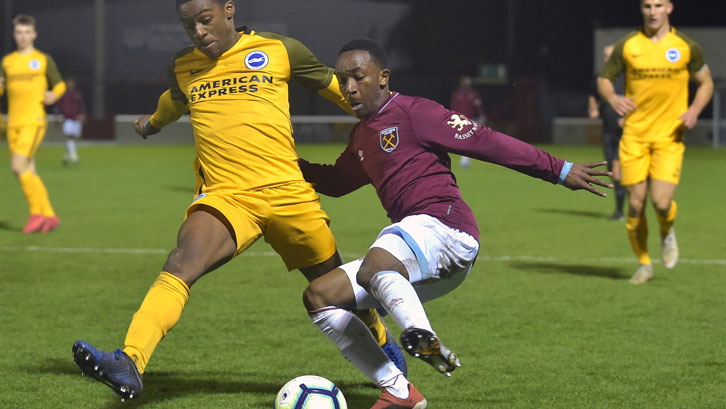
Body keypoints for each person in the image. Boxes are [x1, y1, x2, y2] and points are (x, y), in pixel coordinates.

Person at [71, 0, 405, 402]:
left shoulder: (282, 50)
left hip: (288, 194)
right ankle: (130, 360)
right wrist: (151, 123)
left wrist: (397, 118)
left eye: (204, 19)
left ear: (228, 10)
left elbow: (342, 91)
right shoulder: (183, 66)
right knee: (183, 260)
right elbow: (173, 101)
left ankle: (382, 341)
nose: (198, 31)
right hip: (227, 195)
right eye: (188, 24)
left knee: (335, 287)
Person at [299, 39, 612, 408]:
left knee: (375, 264)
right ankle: (399, 391)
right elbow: (336, 183)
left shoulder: (416, 112)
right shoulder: (361, 136)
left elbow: (488, 142)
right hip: (419, 258)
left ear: (382, 77)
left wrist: (558, 169)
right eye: (342, 80)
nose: (349, 88)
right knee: (320, 296)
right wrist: (283, 163)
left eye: (358, 77)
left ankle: (423, 337)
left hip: (447, 230)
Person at [597, 0, 713, 284]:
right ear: (642, 9)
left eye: (658, 5)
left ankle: (666, 230)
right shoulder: (628, 46)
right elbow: (604, 79)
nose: (652, 11)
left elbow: (706, 82)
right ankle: (644, 263)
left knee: (661, 203)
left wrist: (695, 110)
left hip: (669, 136)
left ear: (669, 8)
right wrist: (613, 99)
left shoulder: (686, 46)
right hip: (634, 135)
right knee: (635, 205)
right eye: (647, 6)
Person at [0, 14, 66, 233]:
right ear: (14, 35)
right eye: (19, 32)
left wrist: (53, 95)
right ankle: (49, 215)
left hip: (34, 120)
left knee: (17, 166)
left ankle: (36, 214)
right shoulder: (7, 62)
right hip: (13, 123)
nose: (23, 36)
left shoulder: (43, 59)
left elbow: (60, 84)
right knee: (28, 171)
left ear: (34, 34)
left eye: (27, 32)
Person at [588, 45, 626, 221]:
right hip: (608, 131)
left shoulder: (627, 78)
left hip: (624, 132)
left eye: (610, 56)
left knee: (617, 171)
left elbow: (640, 100)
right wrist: (593, 108)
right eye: (605, 56)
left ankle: (620, 212)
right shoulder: (600, 78)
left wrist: (627, 118)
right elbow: (592, 95)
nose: (607, 59)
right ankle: (625, 202)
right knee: (611, 169)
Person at [449, 75, 485, 169]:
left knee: (468, 140)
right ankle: (464, 160)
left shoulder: (473, 94)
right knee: (463, 140)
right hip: (460, 120)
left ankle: (465, 160)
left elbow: (477, 106)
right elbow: (453, 107)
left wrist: (480, 116)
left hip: (470, 120)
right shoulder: (457, 94)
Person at [55, 76, 85, 166]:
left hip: (76, 119)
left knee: (73, 139)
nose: (70, 84)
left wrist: (82, 115)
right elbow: (58, 107)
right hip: (67, 119)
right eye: (68, 83)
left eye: (71, 82)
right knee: (69, 137)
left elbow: (82, 106)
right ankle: (74, 157)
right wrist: (57, 117)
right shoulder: (64, 95)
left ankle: (66, 157)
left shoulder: (77, 95)